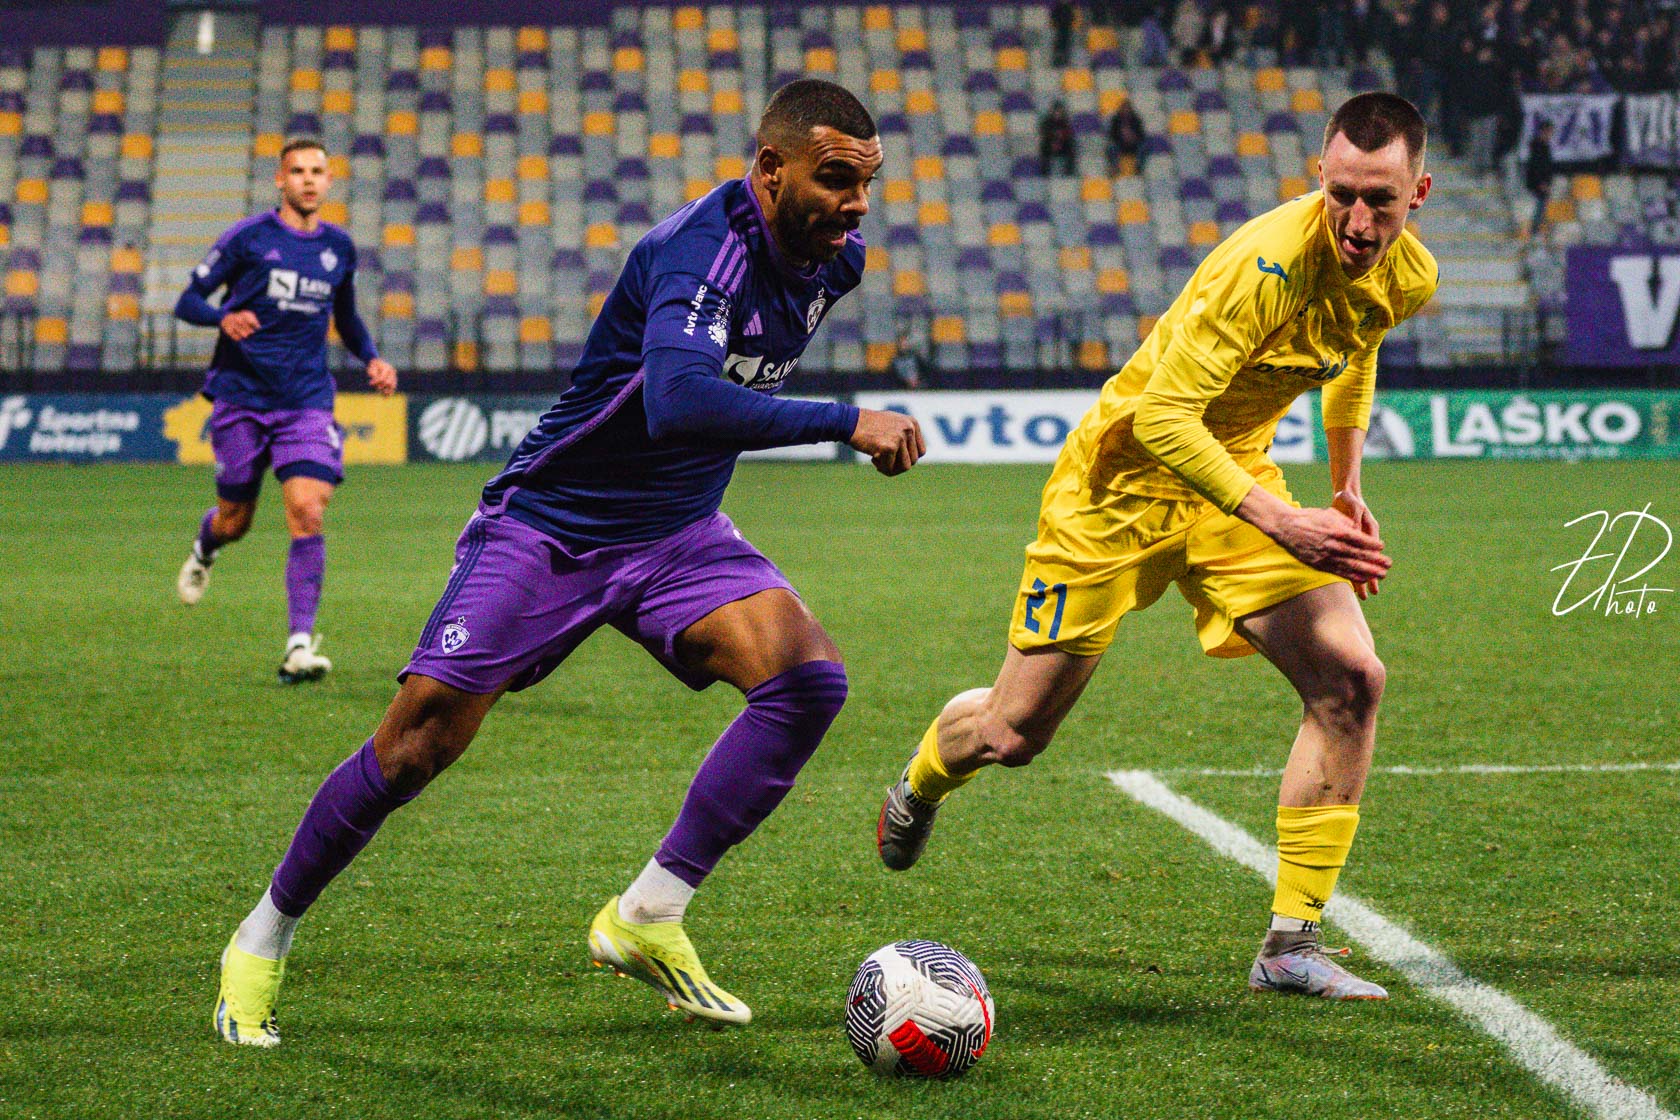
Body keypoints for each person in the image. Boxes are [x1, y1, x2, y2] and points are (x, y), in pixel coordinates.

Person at [212, 79, 923, 1046]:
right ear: (770, 167)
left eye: (867, 183)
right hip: (554, 527)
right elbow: (679, 401)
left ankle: (649, 914)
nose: (856, 205)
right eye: (836, 179)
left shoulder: (834, 262)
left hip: (677, 532)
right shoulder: (701, 253)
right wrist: (846, 419)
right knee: (415, 746)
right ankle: (262, 936)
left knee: (806, 682)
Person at [876, 92, 1438, 1001]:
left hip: (1234, 474)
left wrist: (1345, 485)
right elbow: (1163, 418)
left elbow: (1356, 350)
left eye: (1380, 199)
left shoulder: (1408, 274)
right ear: (1318, 179)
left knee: (1351, 679)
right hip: (1121, 485)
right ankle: (922, 780)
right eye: (1342, 195)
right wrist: (1286, 520)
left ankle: (1291, 944)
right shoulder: (1265, 266)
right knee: (1013, 733)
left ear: (1419, 192)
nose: (1358, 222)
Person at [173, 137, 398, 683]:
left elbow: (346, 318)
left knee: (307, 508)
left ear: (329, 179)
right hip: (242, 398)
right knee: (235, 521)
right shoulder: (248, 239)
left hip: (306, 400)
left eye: (317, 171)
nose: (308, 180)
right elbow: (187, 301)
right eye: (297, 171)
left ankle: (299, 645)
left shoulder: (339, 248)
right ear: (280, 179)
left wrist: (372, 358)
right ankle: (206, 545)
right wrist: (223, 317)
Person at [1524, 119, 1555, 240]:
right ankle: (1533, 231)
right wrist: (1541, 182)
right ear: (1544, 131)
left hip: (1542, 181)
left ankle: (1537, 230)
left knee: (1542, 207)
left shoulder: (1545, 146)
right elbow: (1536, 165)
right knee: (1539, 207)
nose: (1550, 135)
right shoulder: (1538, 146)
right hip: (1538, 182)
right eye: (1549, 132)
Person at [1106, 97, 1147, 177]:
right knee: (1111, 147)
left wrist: (1133, 137)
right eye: (1124, 109)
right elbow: (1112, 135)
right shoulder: (1115, 120)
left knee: (1143, 146)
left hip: (1134, 144)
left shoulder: (1136, 120)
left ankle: (1139, 168)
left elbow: (1142, 135)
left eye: (1128, 109)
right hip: (1120, 144)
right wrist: (1122, 136)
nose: (1126, 111)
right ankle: (1115, 167)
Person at [1039, 100, 1077, 177]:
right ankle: (1045, 174)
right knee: (1044, 147)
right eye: (1056, 111)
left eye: (1059, 112)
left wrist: (1061, 137)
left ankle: (1069, 173)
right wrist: (1054, 136)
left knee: (1071, 146)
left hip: (1062, 145)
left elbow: (1068, 133)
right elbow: (1044, 133)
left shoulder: (1065, 122)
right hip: (1050, 145)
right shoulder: (1047, 121)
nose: (1058, 113)